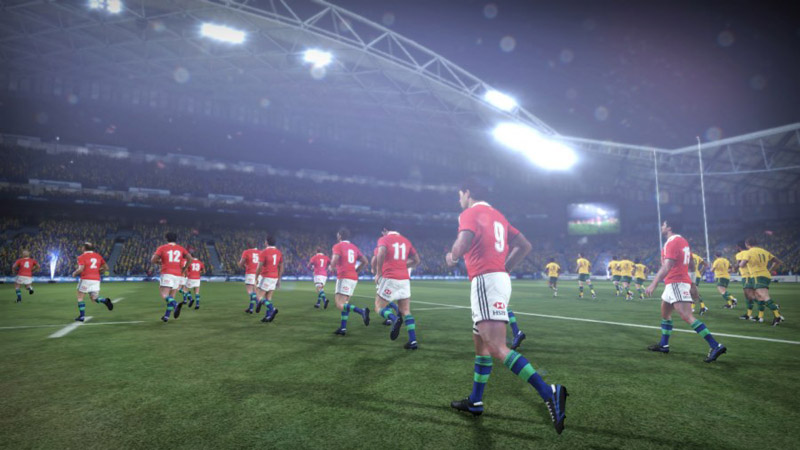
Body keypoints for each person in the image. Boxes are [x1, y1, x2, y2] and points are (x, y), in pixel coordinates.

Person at [446, 179, 567, 434]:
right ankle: (475, 401)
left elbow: (462, 244)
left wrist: (452, 255)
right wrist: (504, 269)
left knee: (496, 347)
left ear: (468, 192)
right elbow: (525, 246)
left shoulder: (470, 213)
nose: (459, 199)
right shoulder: (498, 216)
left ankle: (549, 392)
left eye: (460, 194)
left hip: (485, 280)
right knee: (481, 346)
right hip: (498, 279)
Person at [645, 220, 726, 363]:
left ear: (669, 227)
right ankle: (664, 345)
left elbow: (667, 266)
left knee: (687, 316)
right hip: (674, 283)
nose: (662, 227)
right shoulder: (683, 241)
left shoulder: (672, 242)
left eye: (664, 225)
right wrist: (692, 283)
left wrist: (654, 283)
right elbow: (691, 264)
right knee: (665, 314)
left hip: (676, 282)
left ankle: (715, 345)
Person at [374, 224, 421, 349]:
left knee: (379, 307)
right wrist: (401, 265)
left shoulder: (384, 239)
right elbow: (417, 260)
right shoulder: (406, 241)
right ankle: (413, 341)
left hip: (390, 278)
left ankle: (394, 319)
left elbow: (381, 253)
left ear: (385, 230)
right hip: (404, 279)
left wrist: (378, 273)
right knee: (405, 310)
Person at [330, 227, 370, 336]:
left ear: (340, 236)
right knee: (345, 304)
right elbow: (365, 261)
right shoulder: (354, 247)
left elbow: (334, 260)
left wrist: (331, 266)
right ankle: (343, 328)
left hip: (344, 277)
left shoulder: (338, 246)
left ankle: (361, 311)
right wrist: (357, 271)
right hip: (353, 277)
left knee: (339, 304)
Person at [740, 238, 784, 325]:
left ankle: (777, 315)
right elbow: (778, 262)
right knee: (759, 296)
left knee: (763, 296)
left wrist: (741, 263)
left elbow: (742, 265)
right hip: (765, 275)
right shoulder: (764, 251)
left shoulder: (748, 252)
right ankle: (760, 316)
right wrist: (770, 270)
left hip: (757, 275)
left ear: (747, 244)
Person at [151, 232, 192, 322]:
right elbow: (190, 258)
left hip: (167, 273)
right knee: (171, 296)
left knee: (164, 294)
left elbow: (153, 260)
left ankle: (175, 305)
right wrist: (185, 268)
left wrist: (160, 263)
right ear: (176, 239)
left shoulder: (162, 248)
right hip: (178, 275)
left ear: (166, 239)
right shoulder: (181, 248)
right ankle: (166, 316)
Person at [71, 242, 113, 321]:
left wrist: (74, 273)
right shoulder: (98, 256)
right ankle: (105, 300)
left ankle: (82, 316)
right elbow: (106, 268)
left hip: (85, 279)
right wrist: (98, 271)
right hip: (96, 280)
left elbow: (81, 269)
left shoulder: (81, 257)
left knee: (80, 297)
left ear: (84, 248)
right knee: (94, 297)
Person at [255, 235, 283, 323]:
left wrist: (256, 277)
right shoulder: (279, 252)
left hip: (266, 276)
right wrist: (279, 279)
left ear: (266, 242)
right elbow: (281, 267)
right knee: (268, 298)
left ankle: (272, 309)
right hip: (274, 277)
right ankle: (267, 316)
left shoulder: (264, 252)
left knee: (259, 297)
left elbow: (259, 267)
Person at [736, 242, 757, 320]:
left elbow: (739, 264)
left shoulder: (740, 254)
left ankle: (771, 305)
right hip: (753, 275)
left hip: (746, 276)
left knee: (749, 296)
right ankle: (748, 314)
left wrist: (734, 268)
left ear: (738, 247)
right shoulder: (750, 252)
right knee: (750, 296)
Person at [239, 242, 262, 314]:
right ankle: (251, 308)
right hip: (259, 274)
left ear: (248, 246)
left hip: (250, 273)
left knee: (250, 291)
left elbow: (241, 264)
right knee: (254, 292)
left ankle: (258, 302)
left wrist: (244, 266)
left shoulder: (246, 252)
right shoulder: (260, 252)